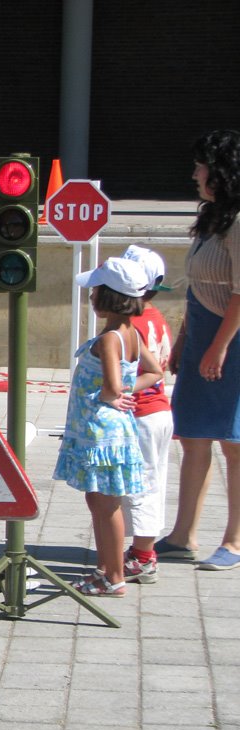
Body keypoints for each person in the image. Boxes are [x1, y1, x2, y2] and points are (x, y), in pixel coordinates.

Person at [156, 129, 240, 571]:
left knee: (234, 441)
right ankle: (182, 535)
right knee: (193, 436)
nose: (194, 174)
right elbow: (198, 287)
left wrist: (219, 348)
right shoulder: (212, 219)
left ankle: (234, 541)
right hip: (204, 334)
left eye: (201, 166)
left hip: (232, 340)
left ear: (221, 171)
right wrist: (185, 340)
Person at [53, 257, 162, 597]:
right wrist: (126, 389)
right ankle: (107, 569)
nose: (90, 296)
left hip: (101, 433)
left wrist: (111, 392)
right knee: (100, 501)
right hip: (111, 431)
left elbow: (113, 385)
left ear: (109, 297)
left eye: (95, 290)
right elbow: (155, 372)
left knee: (105, 504)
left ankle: (113, 576)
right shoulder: (131, 333)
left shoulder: (110, 339)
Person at [119, 245, 174, 585]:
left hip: (140, 413)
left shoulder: (131, 326)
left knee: (139, 486)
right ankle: (142, 550)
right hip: (159, 413)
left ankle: (143, 556)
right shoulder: (155, 318)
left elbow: (122, 373)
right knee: (153, 481)